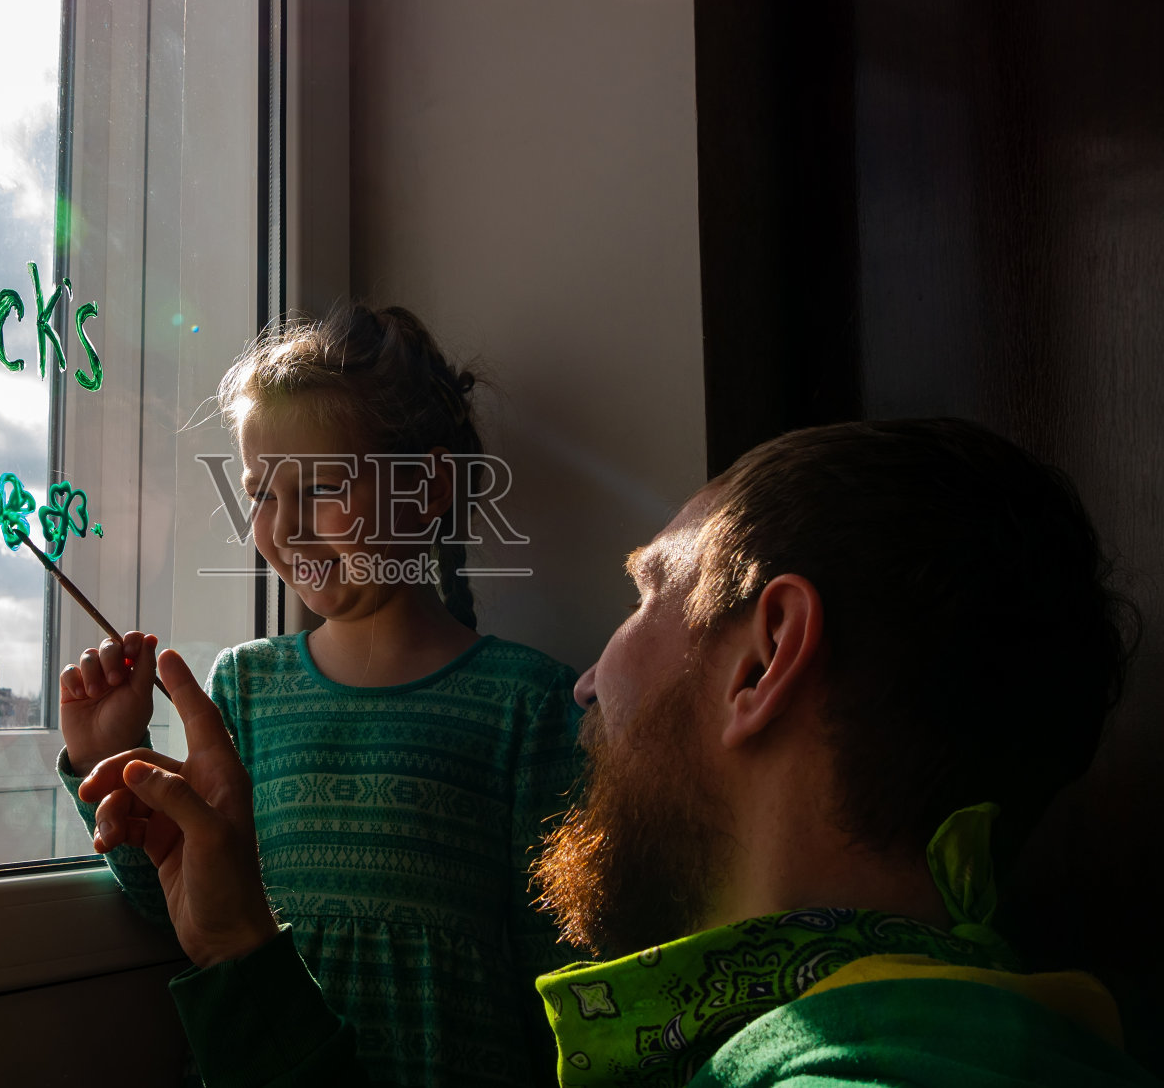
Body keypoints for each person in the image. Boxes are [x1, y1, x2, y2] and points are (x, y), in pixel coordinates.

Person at [83, 418, 1159, 1087]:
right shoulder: (969, 1013)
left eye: (649, 592)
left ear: (762, 659)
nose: (588, 678)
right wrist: (231, 939)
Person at [57, 305, 584, 1086]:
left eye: (324, 487)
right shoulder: (245, 686)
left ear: (428, 489)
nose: (285, 527)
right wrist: (110, 758)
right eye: (261, 493)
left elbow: (567, 985)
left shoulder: (527, 705)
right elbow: (179, 904)